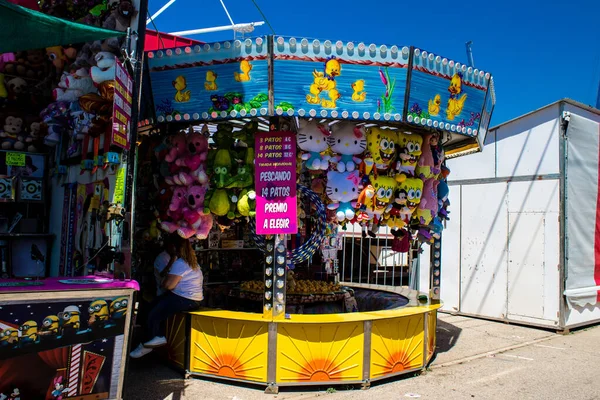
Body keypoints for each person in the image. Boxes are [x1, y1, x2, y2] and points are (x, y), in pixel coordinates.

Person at [130, 234, 203, 359]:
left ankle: (154, 338)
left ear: (174, 248)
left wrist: (166, 282)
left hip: (185, 298)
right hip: (191, 298)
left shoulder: (180, 263)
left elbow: (168, 285)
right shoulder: (191, 262)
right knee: (151, 307)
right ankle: (147, 342)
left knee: (153, 313)